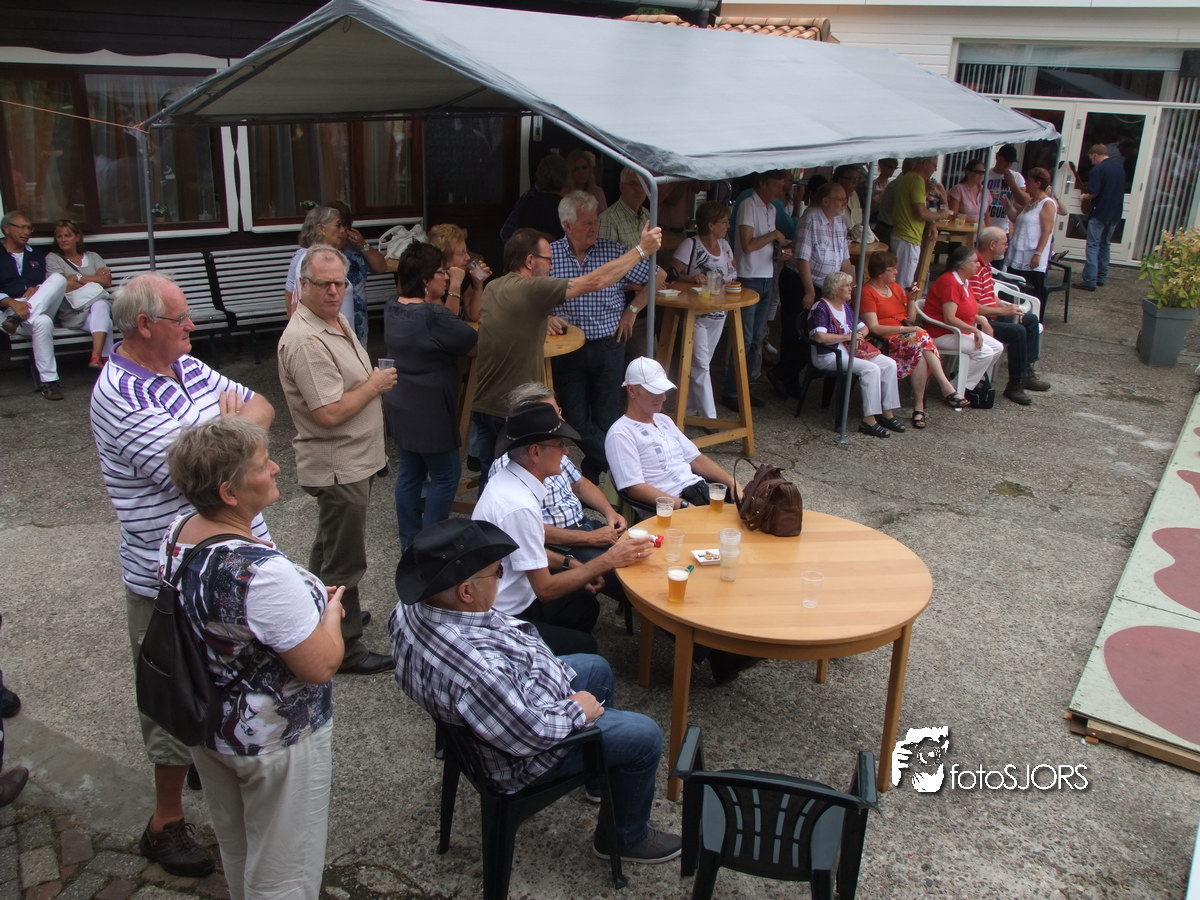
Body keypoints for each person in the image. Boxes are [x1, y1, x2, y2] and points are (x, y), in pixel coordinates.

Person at [91, 271, 275, 877]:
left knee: (230, 682)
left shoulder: (187, 365)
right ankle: (164, 823)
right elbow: (198, 477)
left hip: (233, 559)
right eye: (181, 318)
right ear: (145, 325)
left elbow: (261, 406)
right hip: (168, 578)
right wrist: (232, 436)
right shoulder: (120, 393)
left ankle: (215, 771)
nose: (193, 325)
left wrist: (227, 437)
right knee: (173, 697)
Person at [389, 518, 681, 864]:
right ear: (466, 592)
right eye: (497, 573)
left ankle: (600, 777)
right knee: (645, 736)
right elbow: (530, 733)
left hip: (503, 707)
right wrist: (577, 710)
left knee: (596, 668)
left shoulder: (410, 609)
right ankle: (624, 838)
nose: (501, 577)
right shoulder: (480, 672)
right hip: (519, 756)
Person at [163, 418, 343, 900]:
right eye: (263, 465)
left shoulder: (179, 532)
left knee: (239, 848)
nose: (276, 468)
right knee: (285, 874)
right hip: (274, 744)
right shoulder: (261, 573)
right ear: (229, 492)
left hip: (210, 727)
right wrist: (330, 615)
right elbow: (320, 665)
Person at [277, 245, 398, 675]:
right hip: (338, 465)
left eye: (339, 283)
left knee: (330, 547)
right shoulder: (306, 340)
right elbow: (328, 413)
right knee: (346, 561)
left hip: (353, 460)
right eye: (323, 284)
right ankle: (345, 649)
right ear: (302, 285)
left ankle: (322, 614)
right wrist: (374, 385)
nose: (333, 291)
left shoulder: (333, 320)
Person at [471, 224, 661, 488]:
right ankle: (629, 475)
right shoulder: (532, 289)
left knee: (491, 485)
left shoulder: (494, 287)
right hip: (510, 411)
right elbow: (596, 282)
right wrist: (641, 250)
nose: (552, 267)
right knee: (521, 485)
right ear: (530, 261)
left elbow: (515, 314)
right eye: (548, 261)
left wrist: (545, 317)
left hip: (483, 406)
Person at [473, 402, 651, 655]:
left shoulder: (512, 481)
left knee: (585, 606)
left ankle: (559, 659)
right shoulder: (518, 505)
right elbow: (545, 590)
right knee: (587, 646)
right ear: (535, 452)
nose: (566, 451)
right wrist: (607, 560)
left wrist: (570, 563)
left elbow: (524, 549)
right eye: (559, 445)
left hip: (515, 595)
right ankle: (549, 666)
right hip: (504, 614)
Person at [488, 383, 631, 617]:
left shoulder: (550, 447)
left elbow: (580, 484)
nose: (561, 419)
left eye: (559, 410)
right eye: (553, 413)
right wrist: (589, 539)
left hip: (585, 528)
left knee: (648, 555)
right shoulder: (514, 468)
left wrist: (610, 512)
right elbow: (531, 530)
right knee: (628, 575)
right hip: (561, 544)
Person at [550, 192, 658, 482]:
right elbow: (531, 293)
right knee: (574, 418)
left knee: (606, 418)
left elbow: (657, 276)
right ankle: (625, 470)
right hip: (567, 349)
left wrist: (632, 310)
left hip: (609, 344)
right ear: (567, 225)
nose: (594, 227)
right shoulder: (550, 256)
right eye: (586, 223)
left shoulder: (613, 252)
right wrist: (545, 317)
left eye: (595, 221)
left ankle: (594, 474)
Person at [384, 241, 478, 550]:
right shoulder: (431, 316)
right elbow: (471, 343)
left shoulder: (392, 306)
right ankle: (432, 547)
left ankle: (410, 544)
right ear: (425, 279)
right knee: (446, 474)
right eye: (441, 272)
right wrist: (458, 290)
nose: (447, 277)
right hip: (430, 410)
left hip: (400, 404)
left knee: (410, 473)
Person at [606, 357, 736, 510]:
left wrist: (732, 483)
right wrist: (683, 505)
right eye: (654, 391)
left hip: (699, 494)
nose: (663, 397)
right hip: (671, 509)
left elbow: (696, 459)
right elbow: (635, 488)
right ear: (632, 390)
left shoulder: (664, 420)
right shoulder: (620, 433)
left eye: (663, 390)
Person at [860, 251, 969, 427]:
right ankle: (944, 387)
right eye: (892, 269)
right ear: (880, 273)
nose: (896, 272)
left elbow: (909, 318)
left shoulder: (894, 288)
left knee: (921, 353)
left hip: (907, 339)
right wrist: (905, 329)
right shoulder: (867, 292)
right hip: (886, 340)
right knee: (922, 337)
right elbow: (874, 327)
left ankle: (919, 408)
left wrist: (910, 300)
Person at [721, 170, 792, 411]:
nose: (780, 190)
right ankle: (732, 391)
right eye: (777, 185)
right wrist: (773, 235)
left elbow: (762, 246)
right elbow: (748, 245)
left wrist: (779, 252)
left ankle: (744, 388)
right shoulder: (748, 205)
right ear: (762, 183)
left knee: (756, 339)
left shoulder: (771, 209)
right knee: (745, 337)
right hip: (748, 277)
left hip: (766, 275)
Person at [808, 272, 905, 439]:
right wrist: (848, 337)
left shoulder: (845, 307)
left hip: (851, 351)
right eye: (846, 286)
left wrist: (859, 335)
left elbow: (864, 327)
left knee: (889, 364)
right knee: (871, 369)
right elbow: (819, 337)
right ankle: (869, 420)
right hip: (830, 356)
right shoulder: (820, 308)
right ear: (835, 288)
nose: (850, 289)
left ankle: (887, 413)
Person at [669, 201, 738, 419]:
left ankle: (688, 410)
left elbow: (733, 272)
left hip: (719, 313)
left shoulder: (725, 246)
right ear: (711, 225)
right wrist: (691, 278)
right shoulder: (690, 245)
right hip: (695, 314)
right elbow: (670, 274)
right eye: (724, 222)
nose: (728, 226)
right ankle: (710, 418)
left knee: (702, 364)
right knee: (700, 364)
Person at [968, 227, 1051, 405]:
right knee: (1017, 331)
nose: (1007, 247)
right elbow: (972, 307)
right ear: (992, 245)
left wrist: (1009, 308)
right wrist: (1004, 312)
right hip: (979, 322)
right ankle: (1014, 384)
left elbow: (990, 297)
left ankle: (1026, 371)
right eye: (1004, 243)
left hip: (993, 315)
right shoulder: (974, 267)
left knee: (1030, 320)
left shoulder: (986, 265)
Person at [0, 211, 69, 400]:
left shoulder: (36, 255)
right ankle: (49, 382)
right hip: (8, 311)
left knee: (58, 278)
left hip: (35, 307)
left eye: (29, 228)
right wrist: (11, 302)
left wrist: (38, 288)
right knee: (44, 322)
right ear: (6, 229)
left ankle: (18, 318)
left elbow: (46, 284)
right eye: (22, 227)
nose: (27, 232)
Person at [921, 245, 1004, 400]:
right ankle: (956, 390)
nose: (978, 265)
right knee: (985, 352)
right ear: (962, 264)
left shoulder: (964, 281)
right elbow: (949, 318)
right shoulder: (950, 282)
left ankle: (959, 385)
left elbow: (969, 309)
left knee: (997, 347)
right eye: (974, 261)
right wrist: (975, 330)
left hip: (957, 330)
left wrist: (983, 322)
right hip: (941, 333)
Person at [45, 218, 115, 369]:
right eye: (59, 236)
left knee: (101, 305)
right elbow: (61, 285)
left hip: (96, 311)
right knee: (106, 322)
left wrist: (77, 277)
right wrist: (95, 279)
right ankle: (106, 364)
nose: (63, 239)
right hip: (73, 312)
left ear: (77, 237)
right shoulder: (53, 258)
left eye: (67, 235)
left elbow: (107, 281)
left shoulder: (93, 256)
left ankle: (96, 358)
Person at [325, 200, 389, 344]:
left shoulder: (354, 249)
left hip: (358, 322)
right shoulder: (316, 254)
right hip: (331, 323)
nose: (342, 231)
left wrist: (363, 245)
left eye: (345, 226)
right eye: (337, 226)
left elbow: (381, 268)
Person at [889, 157, 945, 289]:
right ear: (925, 163)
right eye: (934, 165)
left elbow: (914, 206)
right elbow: (920, 212)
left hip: (903, 235)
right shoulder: (917, 180)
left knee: (901, 281)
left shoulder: (910, 178)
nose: (935, 169)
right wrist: (941, 215)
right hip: (908, 237)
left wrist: (932, 222)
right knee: (904, 285)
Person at [1003, 166, 1055, 306]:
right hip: (1019, 250)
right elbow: (1017, 219)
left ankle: (1032, 315)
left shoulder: (1047, 203)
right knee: (1015, 286)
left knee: (1031, 290)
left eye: (1030, 181)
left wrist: (1038, 253)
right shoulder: (1030, 202)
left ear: (1038, 184)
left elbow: (1047, 230)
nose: (1026, 184)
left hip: (1032, 253)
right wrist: (1008, 207)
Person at [1078, 143, 1125, 291]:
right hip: (1115, 212)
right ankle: (1101, 277)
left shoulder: (1098, 170)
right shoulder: (1119, 169)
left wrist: (1085, 197)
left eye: (1092, 158)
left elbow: (1094, 191)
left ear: (1096, 155)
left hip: (1100, 212)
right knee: (1105, 244)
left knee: (1093, 245)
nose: (1092, 162)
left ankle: (1089, 280)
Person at [284, 206, 343, 318]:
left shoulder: (333, 255)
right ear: (321, 228)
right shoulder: (308, 257)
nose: (342, 230)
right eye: (338, 225)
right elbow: (290, 294)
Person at [427, 222, 492, 321]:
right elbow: (447, 321)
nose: (468, 257)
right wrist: (455, 285)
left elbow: (474, 316)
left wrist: (478, 286)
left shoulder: (463, 277)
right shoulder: (432, 282)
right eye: (462, 253)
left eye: (466, 251)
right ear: (443, 257)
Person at [500, 153, 570, 243]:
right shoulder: (565, 208)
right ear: (565, 177)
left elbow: (506, 233)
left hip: (525, 249)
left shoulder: (528, 200)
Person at [985, 144, 1029, 249]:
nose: (1008, 165)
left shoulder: (1016, 177)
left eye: (1011, 162)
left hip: (1003, 227)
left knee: (1000, 257)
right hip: (985, 225)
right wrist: (988, 196)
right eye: (1006, 161)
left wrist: (1012, 184)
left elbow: (1024, 201)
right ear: (997, 157)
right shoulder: (986, 175)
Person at [598, 167, 648, 250]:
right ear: (621, 187)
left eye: (643, 184)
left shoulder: (646, 214)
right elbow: (607, 257)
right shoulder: (608, 219)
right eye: (633, 184)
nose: (639, 190)